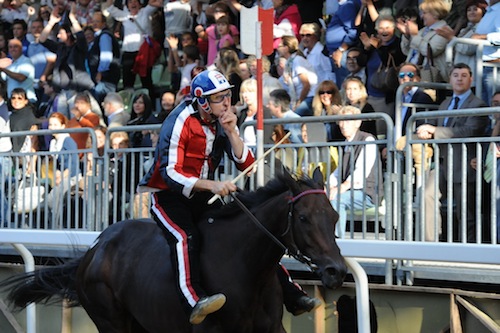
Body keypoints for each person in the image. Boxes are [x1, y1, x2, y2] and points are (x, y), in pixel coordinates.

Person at [137, 70, 256, 324]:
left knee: (247, 226)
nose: (227, 102)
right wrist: (211, 185)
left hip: (203, 197)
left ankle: (290, 290)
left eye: (228, 95)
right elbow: (170, 173)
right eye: (219, 98)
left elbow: (247, 165)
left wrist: (233, 132)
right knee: (185, 236)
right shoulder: (179, 120)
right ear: (202, 101)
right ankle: (194, 300)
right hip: (168, 197)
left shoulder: (224, 121)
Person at [417, 63, 489, 242]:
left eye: (464, 75)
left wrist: (434, 130)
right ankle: (430, 244)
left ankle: (470, 249)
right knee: (427, 195)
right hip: (443, 163)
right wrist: (424, 132)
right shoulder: (445, 103)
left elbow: (469, 131)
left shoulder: (478, 104)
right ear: (450, 79)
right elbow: (435, 126)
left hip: (464, 163)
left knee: (466, 212)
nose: (459, 79)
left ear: (471, 80)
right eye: (455, 75)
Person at [329, 105, 383, 238]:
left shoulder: (367, 140)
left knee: (337, 199)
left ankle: (337, 240)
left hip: (368, 192)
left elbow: (361, 172)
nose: (342, 125)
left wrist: (342, 187)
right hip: (351, 190)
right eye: (340, 121)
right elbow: (338, 171)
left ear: (358, 123)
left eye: (347, 121)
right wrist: (330, 185)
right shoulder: (346, 143)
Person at [435, 0, 488, 81]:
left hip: (472, 74)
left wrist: (451, 38)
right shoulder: (464, 30)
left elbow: (468, 49)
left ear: (483, 12)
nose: (471, 12)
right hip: (460, 71)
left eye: (475, 9)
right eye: (469, 10)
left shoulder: (483, 29)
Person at [400, 0, 451, 83]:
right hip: (412, 74)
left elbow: (429, 51)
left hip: (430, 77)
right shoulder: (422, 31)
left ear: (435, 14)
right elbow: (406, 52)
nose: (421, 16)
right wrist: (406, 35)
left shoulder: (444, 30)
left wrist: (414, 35)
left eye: (424, 13)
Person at [45, 112, 81, 226]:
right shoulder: (54, 142)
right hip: (61, 176)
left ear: (63, 126)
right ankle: (54, 225)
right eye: (51, 125)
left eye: (55, 125)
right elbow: (57, 163)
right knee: (51, 199)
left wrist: (62, 176)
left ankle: (57, 226)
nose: (52, 128)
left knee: (52, 198)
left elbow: (73, 163)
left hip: (72, 177)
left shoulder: (67, 141)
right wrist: (57, 175)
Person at [276, 35, 318, 116]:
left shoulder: (297, 61)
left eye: (280, 46)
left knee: (293, 120)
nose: (278, 49)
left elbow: (306, 85)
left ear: (286, 48)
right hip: (299, 98)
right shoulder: (289, 63)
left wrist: (299, 102)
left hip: (309, 97)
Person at [87, 10, 121, 103]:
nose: (94, 24)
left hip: (106, 79)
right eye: (93, 21)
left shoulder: (104, 36)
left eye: (97, 21)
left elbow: (106, 56)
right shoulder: (97, 37)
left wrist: (100, 71)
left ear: (104, 23)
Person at [470, 0, 500, 105]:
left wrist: (482, 37)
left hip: (494, 66)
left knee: (493, 107)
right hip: (483, 66)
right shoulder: (489, 11)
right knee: (484, 108)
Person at [0, 38, 36, 103]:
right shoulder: (9, 63)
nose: (12, 49)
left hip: (27, 102)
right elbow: (4, 80)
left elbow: (21, 77)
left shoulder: (26, 61)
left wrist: (3, 69)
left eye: (15, 47)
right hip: (13, 101)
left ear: (21, 48)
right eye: (10, 47)